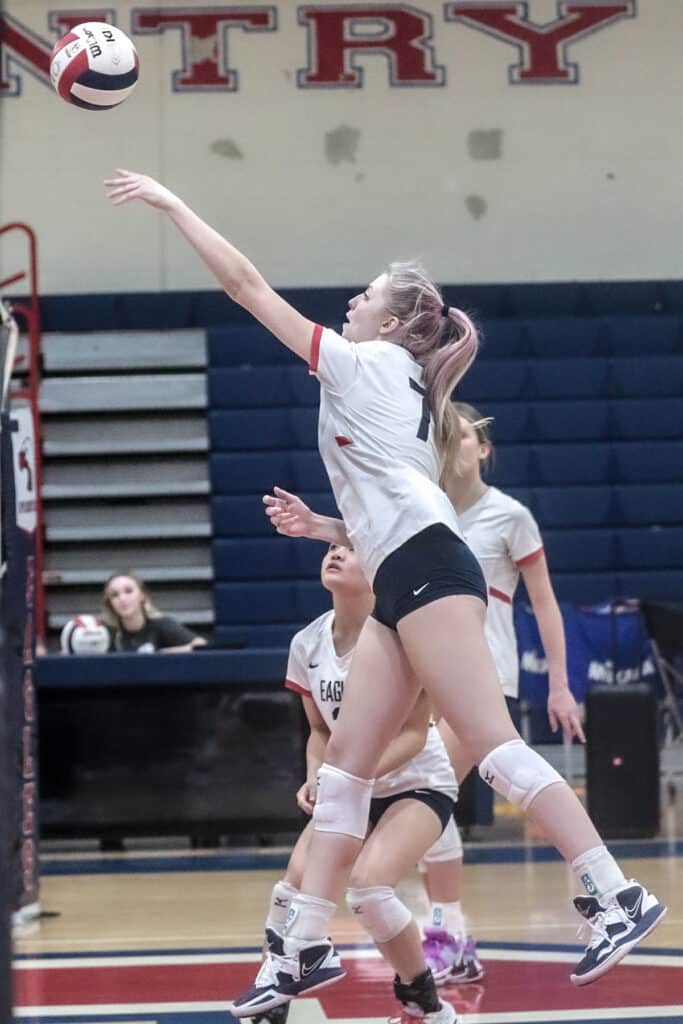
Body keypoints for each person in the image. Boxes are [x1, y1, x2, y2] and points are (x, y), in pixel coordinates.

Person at [103, 170, 666, 1014]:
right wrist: (331, 531)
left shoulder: (367, 362)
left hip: (433, 569)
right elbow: (389, 506)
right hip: (406, 570)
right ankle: (297, 948)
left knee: (493, 743)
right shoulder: (392, 380)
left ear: (396, 323)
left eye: (364, 295)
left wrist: (173, 203)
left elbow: (246, 288)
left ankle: (612, 893)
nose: (350, 303)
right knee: (341, 774)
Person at [252, 541, 459, 1024]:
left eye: (351, 547)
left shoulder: (403, 635)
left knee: (368, 890)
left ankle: (422, 1000)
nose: (335, 553)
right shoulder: (306, 643)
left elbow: (414, 732)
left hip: (416, 781)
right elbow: (321, 730)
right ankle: (272, 1003)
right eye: (330, 546)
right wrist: (315, 774)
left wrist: (352, 775)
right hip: (352, 786)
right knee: (290, 890)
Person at [419, 401, 585, 985]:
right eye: (444, 435)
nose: (453, 444)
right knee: (424, 802)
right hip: (422, 680)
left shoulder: (510, 516)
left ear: (483, 447)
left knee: (426, 793)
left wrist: (561, 685)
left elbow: (545, 603)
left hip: (486, 678)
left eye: (462, 436)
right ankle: (451, 936)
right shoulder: (421, 507)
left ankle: (444, 935)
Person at [101, 572, 207, 653]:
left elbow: (201, 644)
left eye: (128, 591)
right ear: (110, 603)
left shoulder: (162, 625)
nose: (122, 598)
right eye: (115, 595)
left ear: (142, 595)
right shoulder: (106, 634)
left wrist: (166, 653)